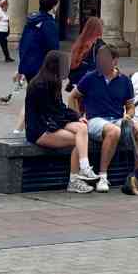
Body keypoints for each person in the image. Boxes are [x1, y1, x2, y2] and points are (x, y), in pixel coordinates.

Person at [68, 41, 138, 189]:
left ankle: (137, 174)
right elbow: (72, 97)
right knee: (113, 131)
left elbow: (130, 107)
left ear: (114, 60)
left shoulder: (124, 81)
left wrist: (128, 116)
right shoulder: (90, 77)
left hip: (117, 119)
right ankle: (102, 176)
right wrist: (78, 117)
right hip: (95, 120)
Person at [23, 50, 95, 192]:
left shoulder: (52, 81)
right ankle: (74, 180)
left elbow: (59, 108)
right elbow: (50, 113)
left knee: (82, 129)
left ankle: (85, 167)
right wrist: (68, 120)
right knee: (78, 140)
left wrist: (77, 117)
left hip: (53, 122)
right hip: (40, 130)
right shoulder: (40, 84)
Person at [16, 0, 63, 93]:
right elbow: (53, 49)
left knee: (33, 97)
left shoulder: (31, 21)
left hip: (29, 67)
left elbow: (23, 45)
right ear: (53, 6)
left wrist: (22, 68)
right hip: (42, 69)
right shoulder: (49, 23)